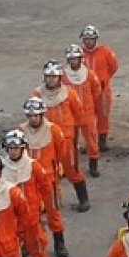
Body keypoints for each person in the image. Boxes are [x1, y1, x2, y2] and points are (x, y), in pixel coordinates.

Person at [0, 129, 55, 257]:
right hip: (11, 219)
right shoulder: (0, 168)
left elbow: (46, 187)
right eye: (10, 148)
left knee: (38, 247)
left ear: (23, 148)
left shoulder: (33, 166)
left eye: (16, 147)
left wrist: (49, 209)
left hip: (31, 217)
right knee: (8, 252)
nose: (13, 151)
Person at [33, 59, 89, 212]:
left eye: (54, 76)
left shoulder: (69, 93)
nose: (51, 79)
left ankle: (83, 199)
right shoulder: (38, 94)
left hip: (66, 139)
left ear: (59, 77)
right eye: (48, 76)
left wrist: (75, 137)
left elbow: (79, 115)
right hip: (47, 139)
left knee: (72, 169)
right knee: (48, 172)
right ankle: (52, 202)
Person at [18, 96, 69, 257]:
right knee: (28, 214)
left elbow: (62, 152)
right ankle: (27, 243)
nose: (33, 119)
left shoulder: (53, 130)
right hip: (28, 180)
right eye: (30, 116)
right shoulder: (20, 131)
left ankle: (59, 242)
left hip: (48, 180)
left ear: (42, 115)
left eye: (36, 115)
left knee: (53, 213)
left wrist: (59, 171)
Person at [64, 43, 102, 179]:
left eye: (75, 58)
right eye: (71, 59)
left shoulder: (89, 74)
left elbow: (97, 90)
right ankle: (71, 168)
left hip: (87, 114)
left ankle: (93, 167)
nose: (73, 61)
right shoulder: (63, 76)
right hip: (70, 115)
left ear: (81, 59)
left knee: (91, 141)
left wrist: (91, 106)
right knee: (70, 143)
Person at [78, 24, 119, 151]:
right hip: (85, 92)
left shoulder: (106, 52)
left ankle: (102, 142)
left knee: (103, 115)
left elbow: (114, 67)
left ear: (96, 39)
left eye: (90, 38)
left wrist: (104, 80)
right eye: (85, 39)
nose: (88, 41)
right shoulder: (79, 53)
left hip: (102, 90)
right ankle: (90, 143)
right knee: (86, 118)